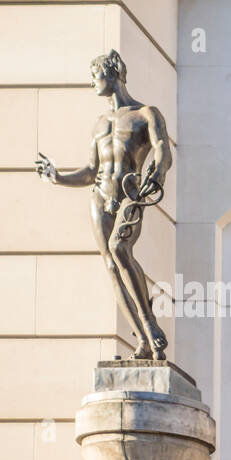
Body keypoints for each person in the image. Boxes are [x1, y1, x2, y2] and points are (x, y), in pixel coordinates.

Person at [35, 50, 172, 360]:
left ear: (112, 75)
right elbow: (90, 170)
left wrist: (159, 172)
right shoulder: (99, 124)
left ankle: (150, 327)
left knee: (120, 249)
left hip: (129, 194)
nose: (91, 82)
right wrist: (57, 177)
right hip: (100, 197)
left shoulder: (146, 114)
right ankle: (142, 341)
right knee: (111, 265)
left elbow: (163, 151)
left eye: (94, 75)